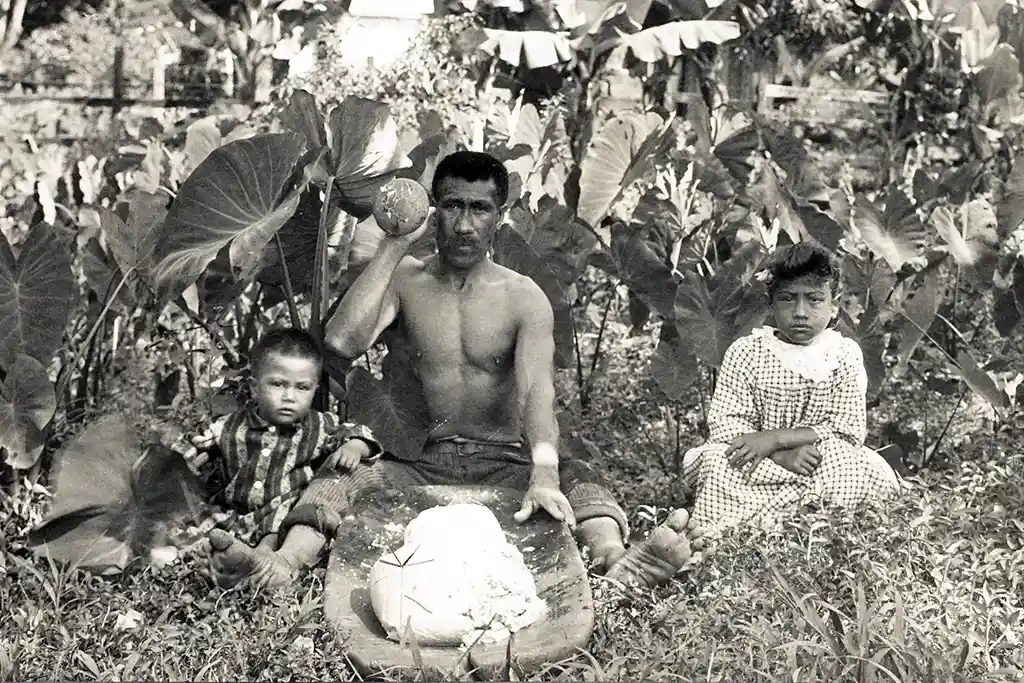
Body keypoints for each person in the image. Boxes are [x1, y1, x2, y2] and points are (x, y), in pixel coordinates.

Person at [206, 150, 707, 590]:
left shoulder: (523, 297)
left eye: (479, 209)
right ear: (434, 209)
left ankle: (618, 561)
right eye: (452, 206)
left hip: (503, 459)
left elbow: (537, 395)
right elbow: (341, 342)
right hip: (416, 460)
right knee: (336, 485)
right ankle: (281, 565)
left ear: (499, 216)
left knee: (582, 482)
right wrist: (393, 244)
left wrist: (545, 474)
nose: (464, 225)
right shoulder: (404, 280)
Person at [682, 243, 904, 532]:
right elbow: (726, 426)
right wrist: (779, 454)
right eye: (788, 299)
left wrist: (777, 439)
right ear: (771, 304)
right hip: (760, 463)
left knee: (847, 462)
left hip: (819, 462)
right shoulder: (747, 352)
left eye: (813, 300)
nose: (800, 312)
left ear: (833, 303)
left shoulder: (843, 353)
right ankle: (732, 534)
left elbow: (847, 428)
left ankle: (816, 531)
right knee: (717, 463)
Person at [165, 328, 384, 589]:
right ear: (254, 387)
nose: (289, 396)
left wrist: (356, 447)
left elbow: (359, 431)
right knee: (192, 524)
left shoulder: (318, 426)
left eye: (302, 388)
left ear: (315, 388)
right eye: (278, 384)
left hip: (280, 519)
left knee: (287, 509)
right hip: (234, 513)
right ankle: (214, 557)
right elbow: (184, 451)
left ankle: (260, 560)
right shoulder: (228, 427)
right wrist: (179, 462)